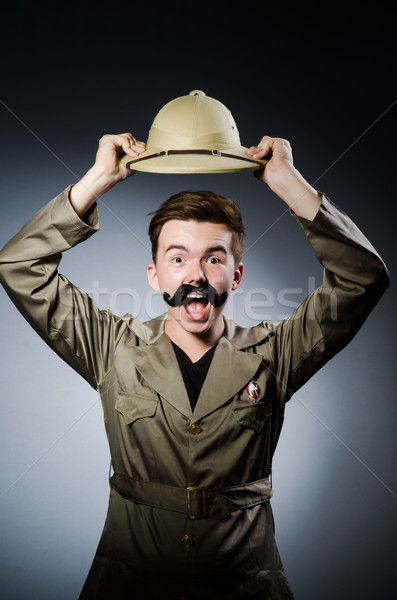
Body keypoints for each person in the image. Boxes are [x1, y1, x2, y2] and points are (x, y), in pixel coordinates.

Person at [0, 133, 389, 600]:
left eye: (214, 258)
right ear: (155, 274)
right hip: (128, 584)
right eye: (178, 257)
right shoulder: (112, 348)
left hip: (246, 585)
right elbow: (21, 265)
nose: (195, 276)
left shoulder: (275, 354)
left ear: (237, 275)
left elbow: (363, 277)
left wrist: (288, 181)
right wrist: (99, 178)